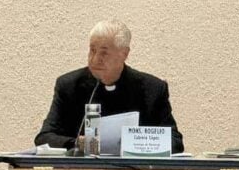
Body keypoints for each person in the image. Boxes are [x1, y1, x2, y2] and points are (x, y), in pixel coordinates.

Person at [35, 20, 184, 153]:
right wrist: (79, 144)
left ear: (124, 54)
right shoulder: (69, 86)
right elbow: (44, 137)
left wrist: (138, 143)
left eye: (104, 53)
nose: (95, 59)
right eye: (92, 50)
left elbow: (175, 142)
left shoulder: (152, 89)